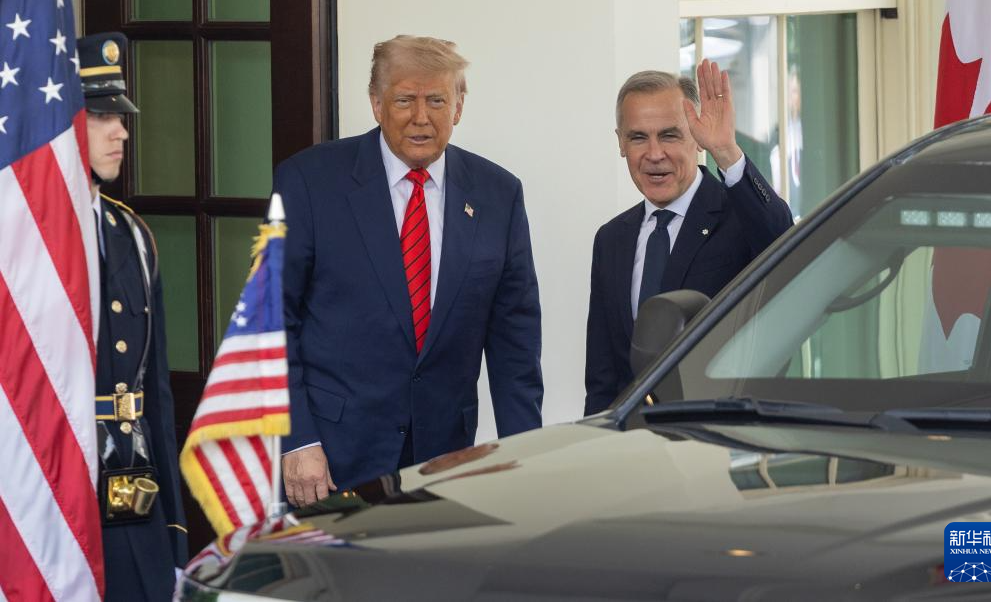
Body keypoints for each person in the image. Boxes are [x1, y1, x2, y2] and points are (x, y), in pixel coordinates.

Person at [274, 35, 543, 507]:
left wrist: (523, 457)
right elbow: (273, 320)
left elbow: (515, 345)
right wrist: (296, 440)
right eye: (404, 100)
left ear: (459, 107)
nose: (421, 117)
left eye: (436, 100)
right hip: (329, 460)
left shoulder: (498, 194)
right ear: (376, 104)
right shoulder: (309, 182)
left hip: (446, 459)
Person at [584, 61, 794, 415]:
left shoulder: (738, 218)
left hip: (717, 433)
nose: (654, 154)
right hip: (635, 438)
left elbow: (783, 244)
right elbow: (603, 377)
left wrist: (726, 153)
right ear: (620, 142)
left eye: (669, 135)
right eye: (638, 137)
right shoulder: (611, 239)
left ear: (697, 137)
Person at [80, 32, 188, 600]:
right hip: (58, 488)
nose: (121, 130)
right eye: (101, 116)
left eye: (119, 116)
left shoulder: (132, 234)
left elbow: (156, 395)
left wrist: (174, 529)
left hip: (133, 491)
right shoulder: (21, 242)